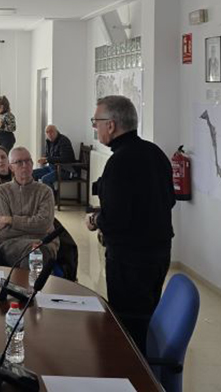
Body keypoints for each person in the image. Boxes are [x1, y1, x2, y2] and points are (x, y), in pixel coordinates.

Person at [86, 95, 175, 353]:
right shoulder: (155, 153)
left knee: (128, 326)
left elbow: (115, 219)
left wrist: (95, 221)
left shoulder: (119, 163)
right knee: (147, 317)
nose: (95, 126)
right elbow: (169, 201)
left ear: (111, 125)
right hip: (159, 254)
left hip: (129, 260)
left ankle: (133, 374)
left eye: (97, 121)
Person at [0, 147, 58, 266]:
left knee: (35, 252)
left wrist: (11, 220)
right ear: (11, 167)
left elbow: (45, 224)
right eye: (19, 162)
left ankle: (24, 284)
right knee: (33, 252)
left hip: (44, 243)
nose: (25, 165)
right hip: (12, 244)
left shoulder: (45, 191)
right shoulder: (2, 191)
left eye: (28, 161)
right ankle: (30, 283)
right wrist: (35, 229)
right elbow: (3, 233)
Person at [33, 125, 76, 191]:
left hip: (65, 170)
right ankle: (37, 195)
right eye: (47, 132)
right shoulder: (48, 141)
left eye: (51, 132)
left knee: (45, 179)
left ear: (56, 131)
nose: (49, 134)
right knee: (32, 173)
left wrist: (47, 159)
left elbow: (65, 159)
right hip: (52, 168)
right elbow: (48, 155)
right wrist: (44, 159)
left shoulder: (64, 140)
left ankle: (52, 197)